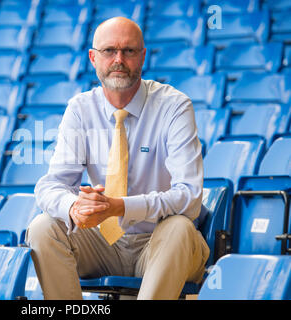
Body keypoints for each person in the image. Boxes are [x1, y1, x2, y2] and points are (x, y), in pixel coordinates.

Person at [25, 17, 210, 300]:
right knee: (43, 227)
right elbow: (50, 186)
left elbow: (190, 197)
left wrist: (119, 207)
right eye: (109, 51)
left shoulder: (174, 106)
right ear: (93, 58)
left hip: (162, 244)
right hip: (104, 245)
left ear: (143, 56)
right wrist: (74, 206)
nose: (119, 60)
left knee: (179, 226)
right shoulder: (80, 108)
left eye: (129, 51)